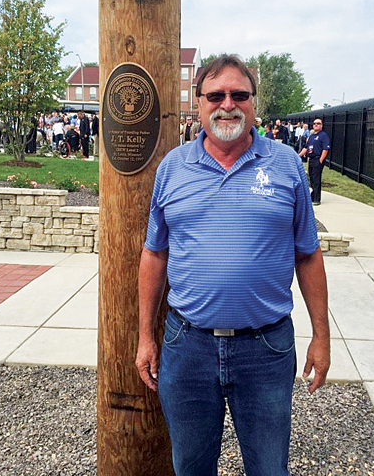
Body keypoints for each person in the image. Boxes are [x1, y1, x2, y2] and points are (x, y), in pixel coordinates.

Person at [136, 54, 330, 476]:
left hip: (265, 349)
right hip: (188, 346)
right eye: (216, 95)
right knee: (190, 467)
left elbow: (308, 253)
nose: (228, 104)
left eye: (239, 94)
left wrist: (321, 336)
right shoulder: (172, 168)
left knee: (268, 468)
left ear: (254, 102)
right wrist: (145, 338)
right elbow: (154, 254)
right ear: (199, 102)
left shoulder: (286, 166)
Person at [299, 119, 331, 206]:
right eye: (315, 124)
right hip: (311, 159)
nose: (316, 125)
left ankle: (317, 199)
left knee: (316, 179)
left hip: (317, 159)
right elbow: (306, 148)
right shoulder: (312, 136)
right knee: (312, 179)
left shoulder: (323, 136)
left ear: (321, 125)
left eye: (318, 123)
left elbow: (325, 149)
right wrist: (298, 156)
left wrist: (321, 160)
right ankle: (312, 196)